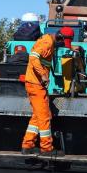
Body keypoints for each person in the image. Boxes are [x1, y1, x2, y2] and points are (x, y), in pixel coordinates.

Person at [21, 27, 72, 156]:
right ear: (59, 38)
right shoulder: (47, 43)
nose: (61, 46)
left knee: (37, 116)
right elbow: (33, 57)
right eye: (62, 43)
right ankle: (46, 148)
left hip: (35, 84)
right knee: (45, 117)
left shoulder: (48, 40)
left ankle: (27, 146)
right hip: (36, 84)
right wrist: (43, 75)